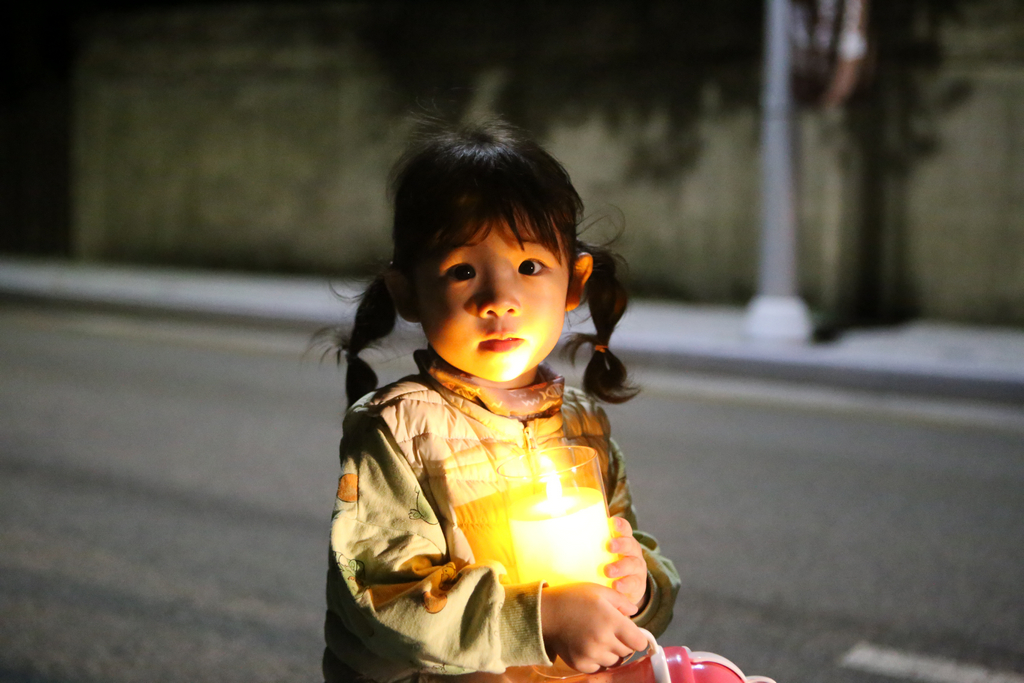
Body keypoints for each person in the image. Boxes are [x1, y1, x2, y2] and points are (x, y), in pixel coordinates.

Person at [323, 121, 680, 683]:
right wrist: (539, 618)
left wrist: (637, 591)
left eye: (530, 267)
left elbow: (631, 543)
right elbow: (383, 596)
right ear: (408, 292)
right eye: (462, 271)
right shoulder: (398, 429)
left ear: (574, 282)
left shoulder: (581, 423)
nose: (499, 300)